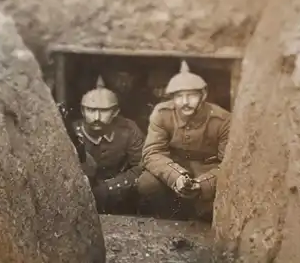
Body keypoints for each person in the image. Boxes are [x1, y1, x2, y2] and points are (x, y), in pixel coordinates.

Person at [137, 60, 231, 221]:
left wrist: (203, 184)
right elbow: (152, 153)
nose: (185, 102)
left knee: (209, 210)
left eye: (191, 95)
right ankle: (168, 219)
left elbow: (228, 164)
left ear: (204, 95)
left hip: (208, 171)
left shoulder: (222, 120)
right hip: (173, 166)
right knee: (147, 183)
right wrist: (176, 177)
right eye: (179, 96)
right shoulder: (162, 113)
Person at [73, 76, 144, 214]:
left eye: (104, 111)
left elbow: (141, 166)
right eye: (91, 110)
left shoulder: (128, 130)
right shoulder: (71, 133)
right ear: (82, 111)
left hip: (119, 192)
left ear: (115, 112)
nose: (97, 118)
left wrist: (110, 187)